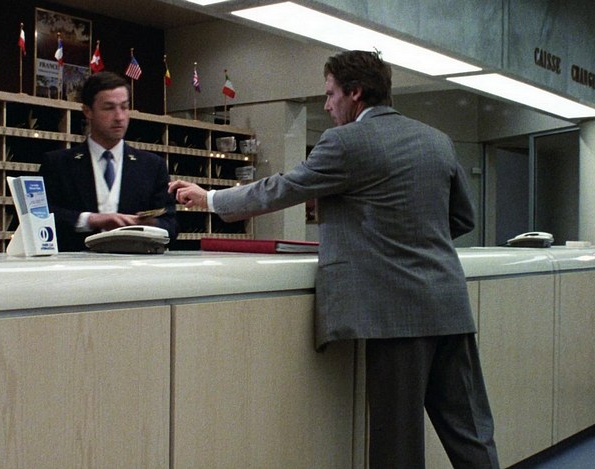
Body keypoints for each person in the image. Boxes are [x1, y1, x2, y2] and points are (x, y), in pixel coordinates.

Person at [169, 50, 499, 468]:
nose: (326, 106)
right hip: (450, 306)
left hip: (394, 317)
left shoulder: (346, 142)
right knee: (471, 434)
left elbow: (283, 188)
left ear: (355, 93)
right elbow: (463, 218)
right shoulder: (437, 140)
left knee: (397, 445)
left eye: (330, 94)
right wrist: (414, 239)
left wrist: (211, 198)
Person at [39, 71, 176, 251]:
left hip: (135, 264)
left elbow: (171, 225)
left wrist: (147, 224)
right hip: (74, 264)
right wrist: (90, 220)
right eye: (109, 108)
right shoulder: (58, 164)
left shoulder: (152, 166)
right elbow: (40, 217)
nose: (119, 117)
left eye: (124, 107)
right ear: (88, 111)